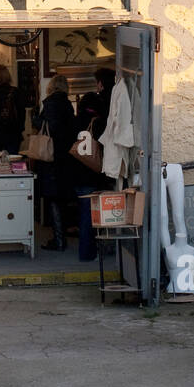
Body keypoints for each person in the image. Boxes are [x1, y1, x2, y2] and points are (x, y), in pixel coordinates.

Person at [73, 69, 117, 262]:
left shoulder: (76, 121)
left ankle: (86, 252)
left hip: (78, 173)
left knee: (84, 214)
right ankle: (90, 252)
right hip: (94, 173)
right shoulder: (99, 122)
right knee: (95, 216)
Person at [33, 75, 78, 251]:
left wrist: (35, 119)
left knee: (53, 199)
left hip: (51, 157)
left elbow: (50, 127)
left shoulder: (50, 103)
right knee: (61, 198)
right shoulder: (67, 104)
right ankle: (61, 236)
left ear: (51, 87)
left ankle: (59, 240)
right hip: (65, 156)